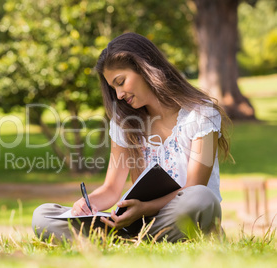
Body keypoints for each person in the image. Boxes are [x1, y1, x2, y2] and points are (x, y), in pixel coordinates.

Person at [32, 32, 231, 242]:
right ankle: (134, 239)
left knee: (201, 198)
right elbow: (111, 189)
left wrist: (144, 209)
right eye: (113, 88)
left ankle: (128, 241)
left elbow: (193, 187)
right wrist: (88, 204)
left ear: (144, 68)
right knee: (43, 216)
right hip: (137, 224)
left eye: (121, 82)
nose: (118, 95)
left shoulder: (202, 115)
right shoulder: (124, 121)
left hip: (178, 215)